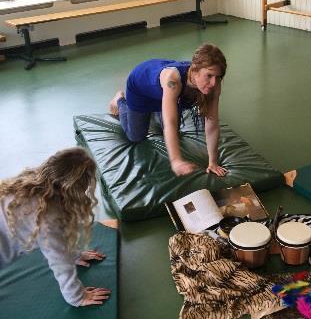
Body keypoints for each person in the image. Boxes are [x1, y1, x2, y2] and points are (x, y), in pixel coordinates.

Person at [0, 147, 111, 306]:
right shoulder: (47, 217)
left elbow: (62, 238)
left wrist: (75, 254)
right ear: (75, 190)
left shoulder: (34, 182)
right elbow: (60, 261)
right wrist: (78, 297)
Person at [109, 43, 228, 177]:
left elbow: (211, 124)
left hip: (165, 95)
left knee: (174, 131)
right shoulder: (173, 81)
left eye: (218, 77)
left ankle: (160, 108)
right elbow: (170, 123)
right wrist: (176, 161)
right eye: (209, 75)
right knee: (135, 136)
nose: (214, 83)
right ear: (195, 70)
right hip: (140, 89)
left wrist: (213, 162)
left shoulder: (213, 85)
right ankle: (120, 100)